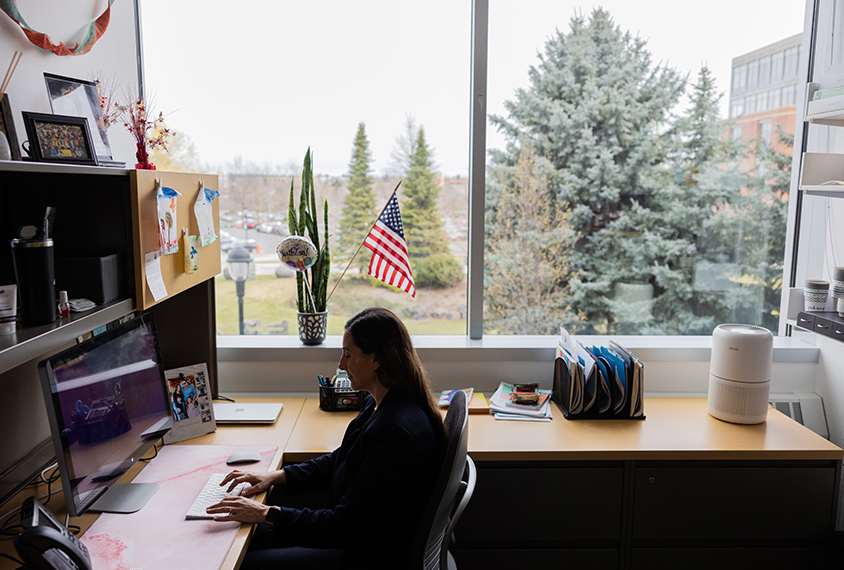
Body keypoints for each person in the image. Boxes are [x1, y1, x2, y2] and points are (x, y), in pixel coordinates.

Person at [206, 307, 447, 569]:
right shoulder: (380, 403)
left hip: (361, 555)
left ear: (376, 360)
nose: (340, 365)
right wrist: (276, 476)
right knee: (230, 537)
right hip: (352, 537)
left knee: (238, 562)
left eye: (348, 354)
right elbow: (342, 458)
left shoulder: (394, 432)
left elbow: (343, 526)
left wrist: (266, 513)